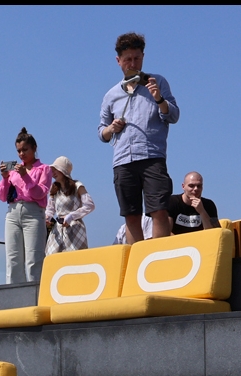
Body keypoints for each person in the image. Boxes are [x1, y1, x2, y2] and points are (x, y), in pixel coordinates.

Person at [98, 32, 179, 244]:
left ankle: (159, 257)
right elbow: (101, 132)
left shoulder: (158, 82)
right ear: (118, 61)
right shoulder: (111, 95)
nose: (132, 64)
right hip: (123, 160)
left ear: (143, 57)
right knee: (131, 215)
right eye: (127, 59)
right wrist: (111, 128)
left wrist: (159, 98)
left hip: (152, 157)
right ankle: (138, 259)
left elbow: (173, 115)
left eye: (137, 58)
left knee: (159, 210)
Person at [0, 128, 51, 283]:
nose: (21, 154)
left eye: (25, 150)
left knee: (34, 258)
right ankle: (14, 294)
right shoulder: (14, 171)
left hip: (33, 213)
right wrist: (5, 178)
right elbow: (2, 196)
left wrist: (25, 176)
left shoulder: (43, 169)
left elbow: (40, 193)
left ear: (34, 148)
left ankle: (35, 293)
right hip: (13, 213)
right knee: (13, 258)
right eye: (19, 151)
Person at [45, 156, 95, 255]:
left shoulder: (77, 186)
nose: (53, 173)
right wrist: (47, 217)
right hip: (58, 228)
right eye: (52, 170)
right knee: (52, 257)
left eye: (56, 170)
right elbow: (50, 209)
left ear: (63, 170)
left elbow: (90, 205)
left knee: (75, 258)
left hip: (75, 228)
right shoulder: (54, 188)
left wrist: (71, 216)